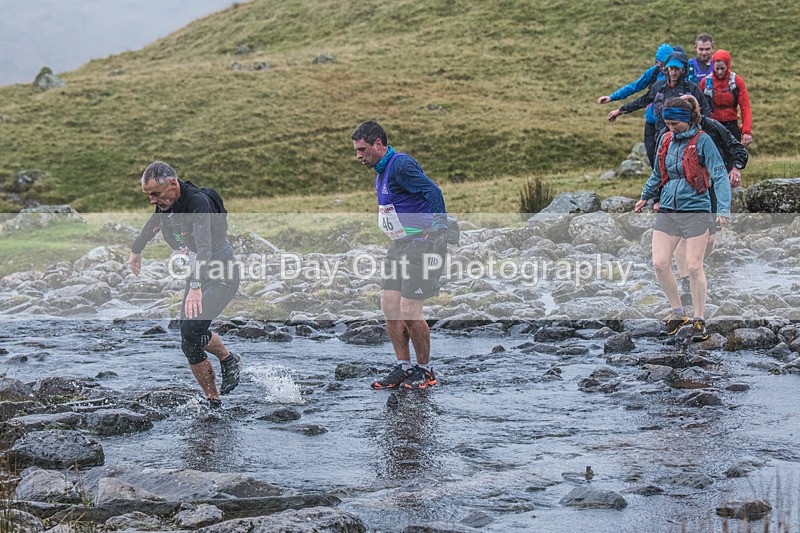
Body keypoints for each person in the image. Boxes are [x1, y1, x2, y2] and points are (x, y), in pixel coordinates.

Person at [129, 161, 242, 408]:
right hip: (200, 273)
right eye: (148, 195)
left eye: (155, 194)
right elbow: (153, 224)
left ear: (172, 184)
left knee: (191, 330)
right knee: (187, 339)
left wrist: (194, 285)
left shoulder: (198, 202)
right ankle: (214, 401)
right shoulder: (167, 202)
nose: (151, 200)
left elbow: (204, 247)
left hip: (221, 273)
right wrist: (136, 250)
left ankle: (228, 358)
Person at [351, 121, 447, 390]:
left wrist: (439, 229)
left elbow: (433, 191)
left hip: (421, 243)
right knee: (389, 304)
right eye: (357, 150)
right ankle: (403, 366)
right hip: (398, 245)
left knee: (409, 309)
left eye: (362, 149)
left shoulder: (401, 165)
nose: (358, 155)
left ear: (378, 145)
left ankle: (425, 370)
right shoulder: (380, 172)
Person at [634, 97, 731, 342]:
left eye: (675, 123)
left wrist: (723, 209)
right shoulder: (665, 140)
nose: (670, 128)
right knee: (659, 263)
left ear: (687, 119)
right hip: (668, 210)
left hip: (696, 210)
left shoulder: (703, 141)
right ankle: (678, 313)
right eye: (667, 123)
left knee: (694, 266)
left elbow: (719, 175)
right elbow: (658, 173)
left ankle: (699, 319)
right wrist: (645, 196)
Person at [657, 95, 748, 304]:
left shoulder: (711, 127)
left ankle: (695, 266)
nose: (671, 126)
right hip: (685, 191)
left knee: (710, 238)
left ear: (693, 111)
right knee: (683, 237)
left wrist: (735, 168)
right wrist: (655, 196)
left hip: (713, 186)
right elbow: (661, 165)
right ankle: (686, 279)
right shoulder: (670, 131)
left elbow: (737, 149)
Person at [608, 50, 711, 166]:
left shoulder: (692, 89)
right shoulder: (659, 87)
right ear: (666, 69)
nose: (673, 72)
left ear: (683, 70)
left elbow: (706, 109)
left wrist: (700, 129)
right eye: (671, 68)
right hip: (662, 135)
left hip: (687, 137)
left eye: (677, 69)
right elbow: (642, 101)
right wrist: (620, 111)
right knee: (659, 165)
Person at [597, 43, 673, 166]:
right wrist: (612, 97)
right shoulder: (653, 73)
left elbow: (643, 99)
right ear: (657, 62)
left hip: (669, 124)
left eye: (666, 64)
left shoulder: (679, 78)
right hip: (651, 123)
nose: (664, 68)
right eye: (661, 64)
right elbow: (634, 86)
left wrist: (621, 110)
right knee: (654, 160)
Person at [699, 49, 753, 147]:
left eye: (723, 68)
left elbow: (745, 107)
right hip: (712, 125)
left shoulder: (736, 81)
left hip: (731, 125)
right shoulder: (705, 82)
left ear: (727, 66)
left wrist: (746, 131)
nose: (720, 72)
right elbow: (698, 105)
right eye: (717, 69)